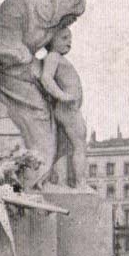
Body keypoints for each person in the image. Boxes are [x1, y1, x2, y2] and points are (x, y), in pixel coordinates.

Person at [0, 0, 86, 187]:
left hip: (20, 65)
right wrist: (61, 94)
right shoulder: (30, 6)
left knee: (51, 126)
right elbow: (5, 47)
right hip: (9, 64)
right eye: (70, 18)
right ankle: (35, 179)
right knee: (39, 117)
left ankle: (43, 177)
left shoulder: (47, 20)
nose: (71, 23)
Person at [37, 27, 88, 188]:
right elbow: (46, 79)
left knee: (63, 148)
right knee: (79, 146)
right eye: (64, 38)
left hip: (69, 108)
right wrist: (63, 96)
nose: (69, 42)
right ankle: (81, 183)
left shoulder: (57, 57)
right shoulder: (53, 56)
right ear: (51, 40)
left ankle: (58, 181)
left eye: (70, 38)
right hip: (67, 109)